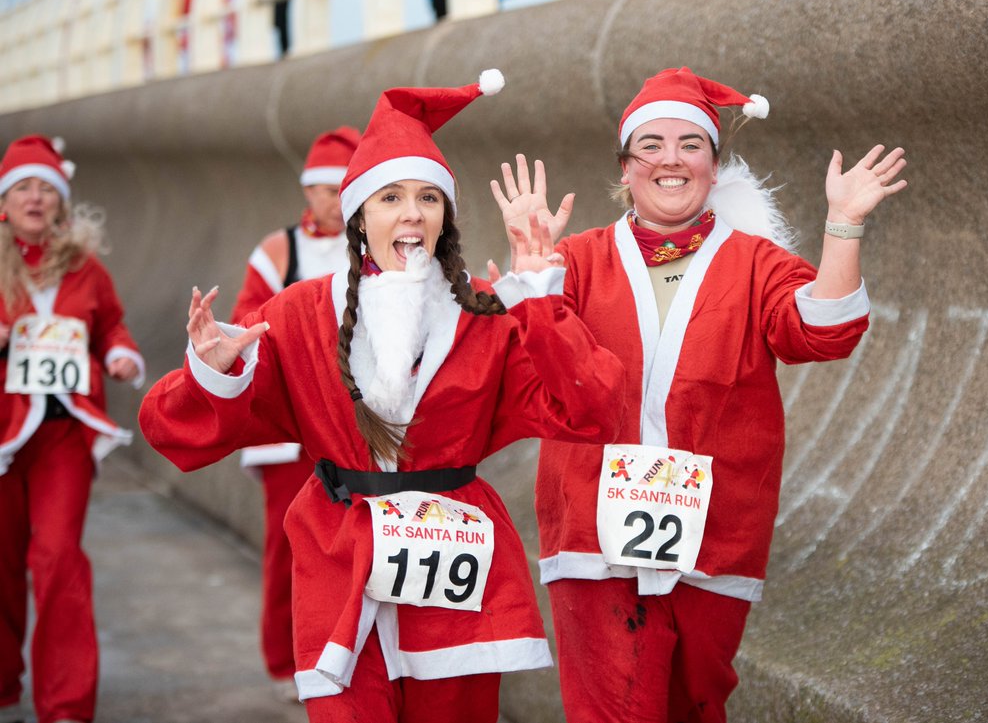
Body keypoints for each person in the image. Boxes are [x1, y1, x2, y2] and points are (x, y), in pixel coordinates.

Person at [138, 70, 625, 720]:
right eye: (390, 196)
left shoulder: (485, 318)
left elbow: (592, 408)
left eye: (428, 196)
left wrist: (540, 296)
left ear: (445, 215)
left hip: (456, 579)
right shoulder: (300, 315)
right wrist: (213, 371)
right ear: (359, 215)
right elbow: (173, 432)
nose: (412, 212)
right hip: (340, 575)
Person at [491, 66, 908, 723]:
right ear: (624, 168)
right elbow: (510, 367)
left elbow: (823, 333)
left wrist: (844, 224)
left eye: (691, 144)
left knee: (695, 706)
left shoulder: (755, 261)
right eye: (650, 145)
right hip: (589, 535)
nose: (671, 159)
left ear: (716, 167)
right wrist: (530, 283)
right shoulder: (572, 260)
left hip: (715, 538)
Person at [0, 135, 144, 723]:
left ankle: (64, 706)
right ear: (3, 202)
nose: (35, 199)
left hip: (63, 432)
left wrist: (121, 357)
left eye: (46, 188)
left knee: (57, 558)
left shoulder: (86, 268)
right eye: (22, 188)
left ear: (61, 202)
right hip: (3, 437)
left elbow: (112, 326)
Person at [229, 125, 360, 701]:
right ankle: (285, 661)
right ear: (306, 192)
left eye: (341, 188)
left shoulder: (375, 242)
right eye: (321, 189)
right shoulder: (278, 249)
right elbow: (243, 321)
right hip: (289, 421)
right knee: (287, 542)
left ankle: (345, 654)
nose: (330, 200)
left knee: (355, 543)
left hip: (355, 423)